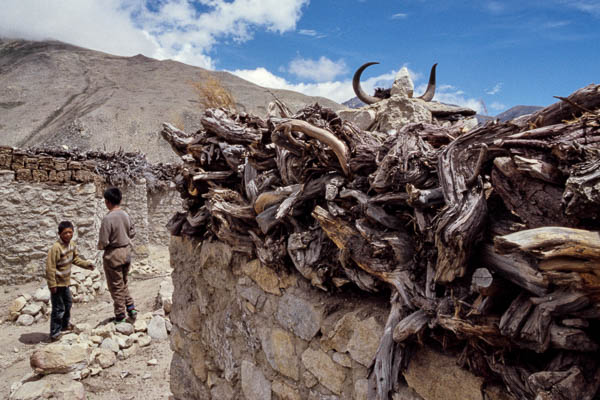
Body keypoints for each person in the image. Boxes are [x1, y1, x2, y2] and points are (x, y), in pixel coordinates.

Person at [46, 221, 95, 342]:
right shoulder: (56, 248)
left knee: (68, 304)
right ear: (59, 234)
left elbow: (75, 259)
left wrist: (86, 265)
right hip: (57, 284)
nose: (68, 235)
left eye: (70, 232)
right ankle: (55, 333)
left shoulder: (72, 245)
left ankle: (64, 325)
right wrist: (52, 284)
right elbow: (50, 267)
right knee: (58, 308)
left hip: (66, 282)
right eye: (65, 233)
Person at [98, 187, 137, 323]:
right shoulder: (126, 215)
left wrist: (101, 247)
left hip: (113, 254)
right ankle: (131, 307)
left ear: (107, 202)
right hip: (126, 251)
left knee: (115, 286)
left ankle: (120, 314)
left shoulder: (107, 219)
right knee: (123, 282)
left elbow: (103, 241)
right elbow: (132, 233)